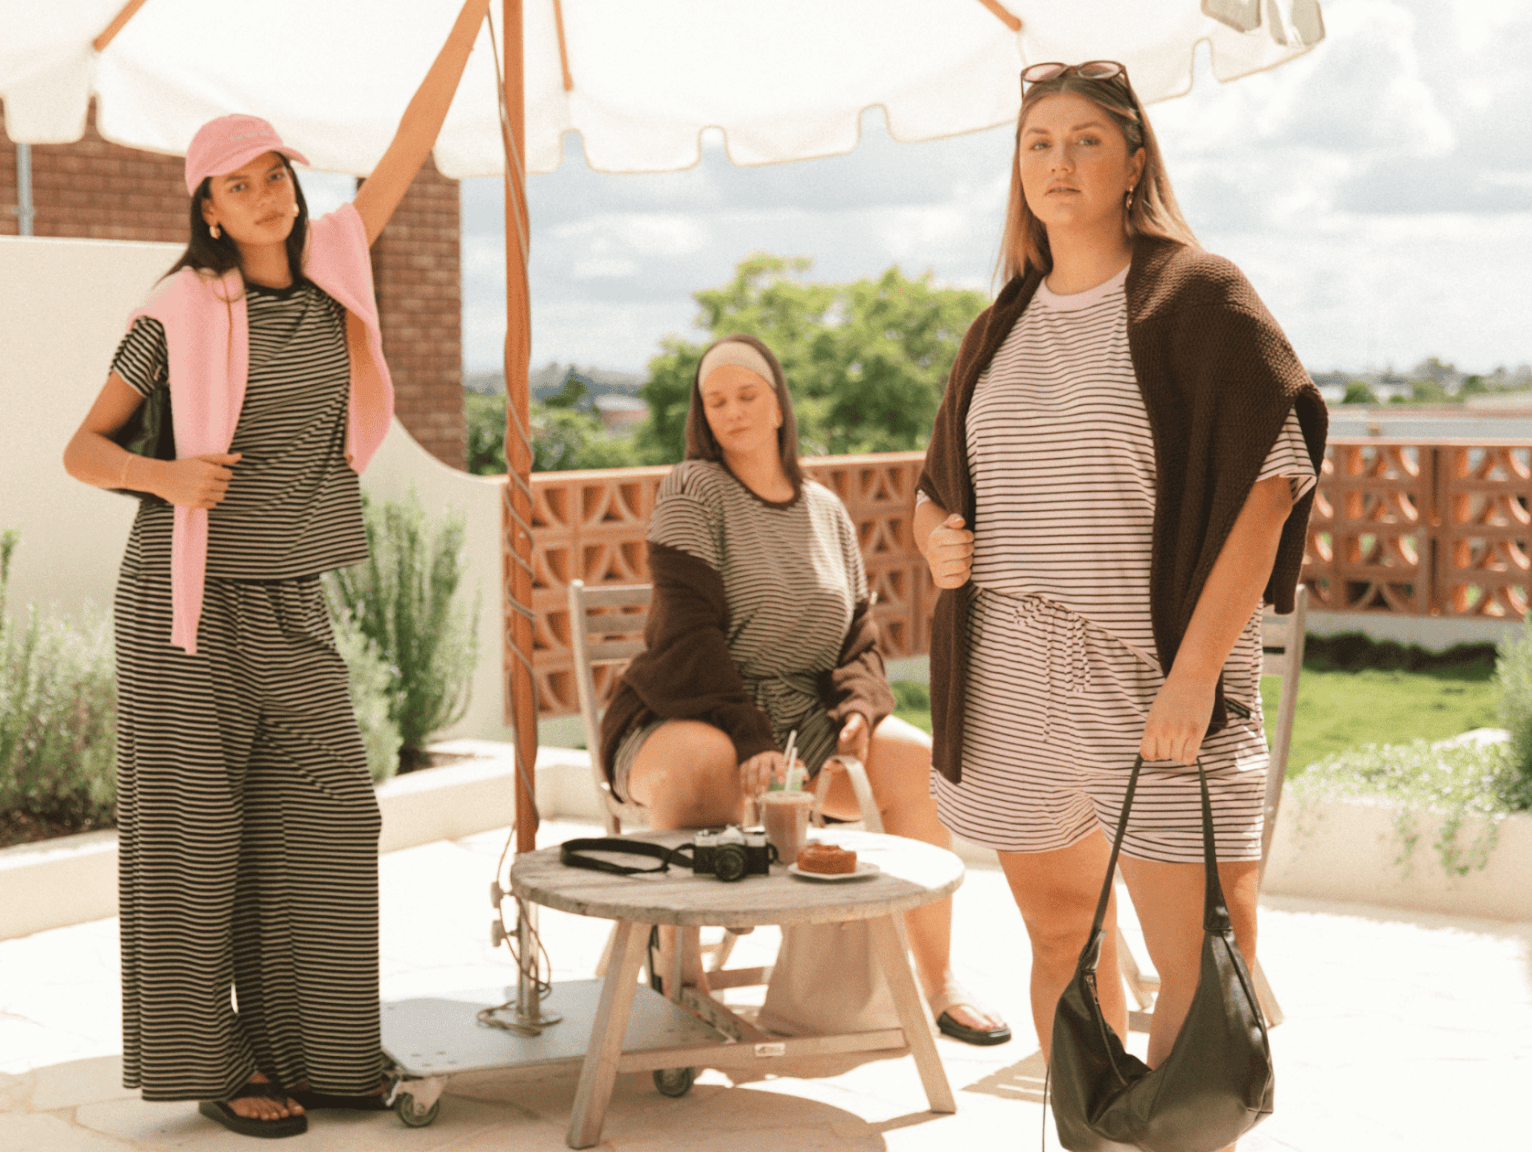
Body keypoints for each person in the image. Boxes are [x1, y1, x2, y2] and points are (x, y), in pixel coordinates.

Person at [61, 0, 492, 1137]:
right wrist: (164, 476)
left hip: (291, 596)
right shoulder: (174, 310)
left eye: (275, 176)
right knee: (194, 840)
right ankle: (217, 1063)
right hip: (183, 606)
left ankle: (324, 1049)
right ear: (206, 206)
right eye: (239, 184)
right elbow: (83, 449)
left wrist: (470, 24)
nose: (265, 196)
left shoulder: (336, 261)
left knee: (331, 819)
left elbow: (411, 142)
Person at [912, 59, 1327, 1116]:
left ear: (1134, 160)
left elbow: (1268, 487)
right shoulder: (998, 326)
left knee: (1197, 953)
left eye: (1085, 140)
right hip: (1008, 670)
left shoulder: (1198, 295)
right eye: (1038, 143)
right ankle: (1090, 1136)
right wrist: (936, 543)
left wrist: (1193, 678)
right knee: (1061, 936)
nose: (1059, 161)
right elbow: (934, 492)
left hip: (1148, 670)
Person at [599, 334, 1010, 1046]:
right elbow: (688, 636)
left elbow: (857, 639)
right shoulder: (692, 489)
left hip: (800, 725)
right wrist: (748, 737)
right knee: (707, 761)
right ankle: (682, 985)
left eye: (747, 395)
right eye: (716, 401)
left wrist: (859, 707)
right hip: (689, 711)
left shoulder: (824, 508)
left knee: (917, 762)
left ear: (779, 405)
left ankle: (939, 982)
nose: (733, 412)